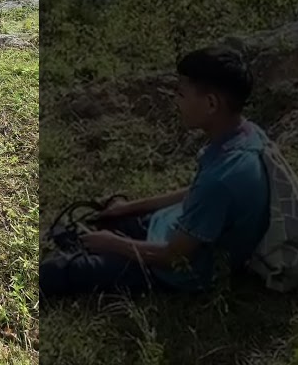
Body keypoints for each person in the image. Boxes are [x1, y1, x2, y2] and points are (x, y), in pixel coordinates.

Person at [40, 46, 270, 299]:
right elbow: (195, 192)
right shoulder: (245, 136)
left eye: (182, 94)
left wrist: (113, 243)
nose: (176, 101)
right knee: (107, 220)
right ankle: (97, 242)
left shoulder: (221, 180)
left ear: (211, 103)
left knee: (57, 272)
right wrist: (128, 208)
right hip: (172, 229)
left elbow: (173, 257)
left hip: (178, 271)